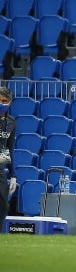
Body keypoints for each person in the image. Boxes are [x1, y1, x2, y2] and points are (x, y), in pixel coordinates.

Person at [0, 87, 16, 230]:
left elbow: (8, 149)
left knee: (4, 204)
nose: (1, 103)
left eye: (4, 101)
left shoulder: (11, 122)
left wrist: (13, 175)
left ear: (9, 103)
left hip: (0, 166)